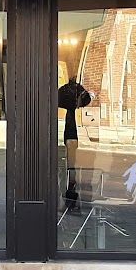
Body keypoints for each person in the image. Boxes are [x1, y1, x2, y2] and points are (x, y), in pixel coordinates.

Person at [57, 78, 92, 211]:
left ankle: (69, 198)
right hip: (70, 136)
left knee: (70, 170)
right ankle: (70, 198)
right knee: (71, 170)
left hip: (70, 136)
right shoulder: (73, 92)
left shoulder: (67, 91)